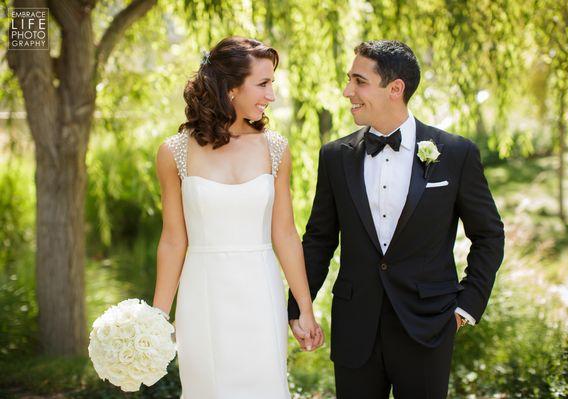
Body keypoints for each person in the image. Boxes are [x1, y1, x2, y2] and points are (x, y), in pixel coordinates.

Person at [288, 40, 505, 398]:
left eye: (359, 81)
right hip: (356, 327)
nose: (347, 91)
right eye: (349, 80)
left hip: (428, 326)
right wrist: (299, 307)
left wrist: (467, 306)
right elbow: (319, 240)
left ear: (395, 88)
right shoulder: (334, 157)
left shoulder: (455, 153)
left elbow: (489, 235)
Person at [152, 36, 322, 398]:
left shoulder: (276, 149)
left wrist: (304, 308)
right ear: (230, 89)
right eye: (263, 84)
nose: (271, 95)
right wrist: (157, 317)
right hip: (203, 294)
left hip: (261, 293)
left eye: (271, 83)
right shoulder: (174, 152)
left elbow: (286, 235)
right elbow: (172, 240)